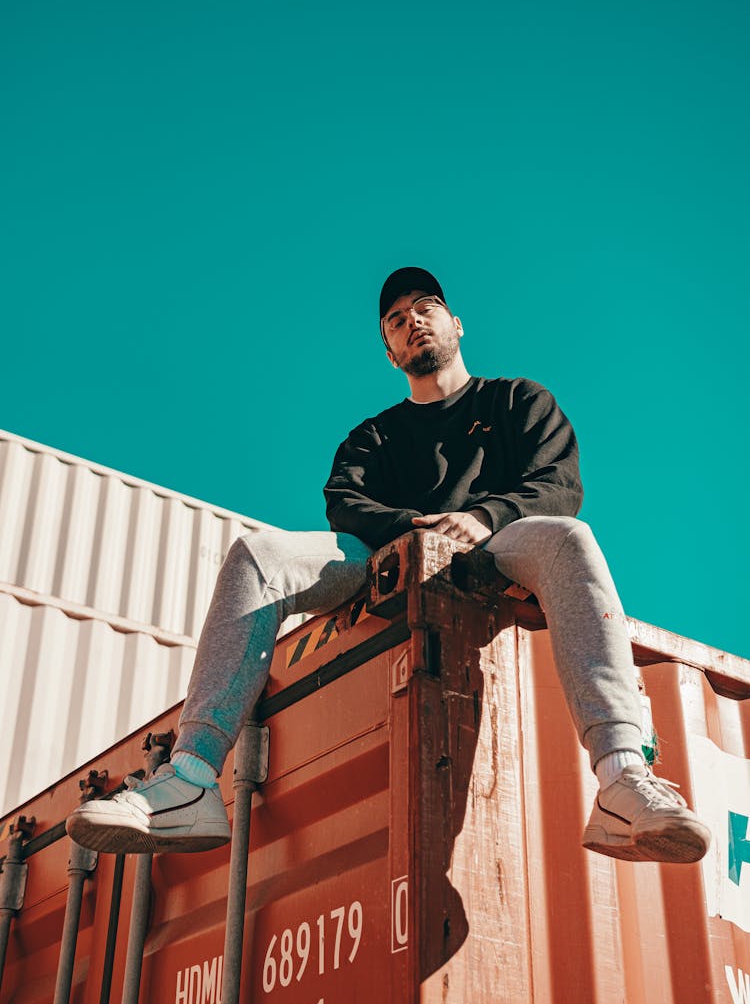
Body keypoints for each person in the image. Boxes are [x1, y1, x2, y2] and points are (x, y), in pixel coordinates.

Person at [67, 266, 711, 864]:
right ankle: (192, 779)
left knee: (571, 537)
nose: (413, 321)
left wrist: (482, 519)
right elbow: (342, 503)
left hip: (500, 545)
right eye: (396, 320)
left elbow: (558, 483)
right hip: (384, 554)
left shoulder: (518, 401)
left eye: (426, 307)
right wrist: (414, 531)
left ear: (456, 324)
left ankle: (622, 778)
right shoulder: (374, 435)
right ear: (390, 352)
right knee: (254, 555)